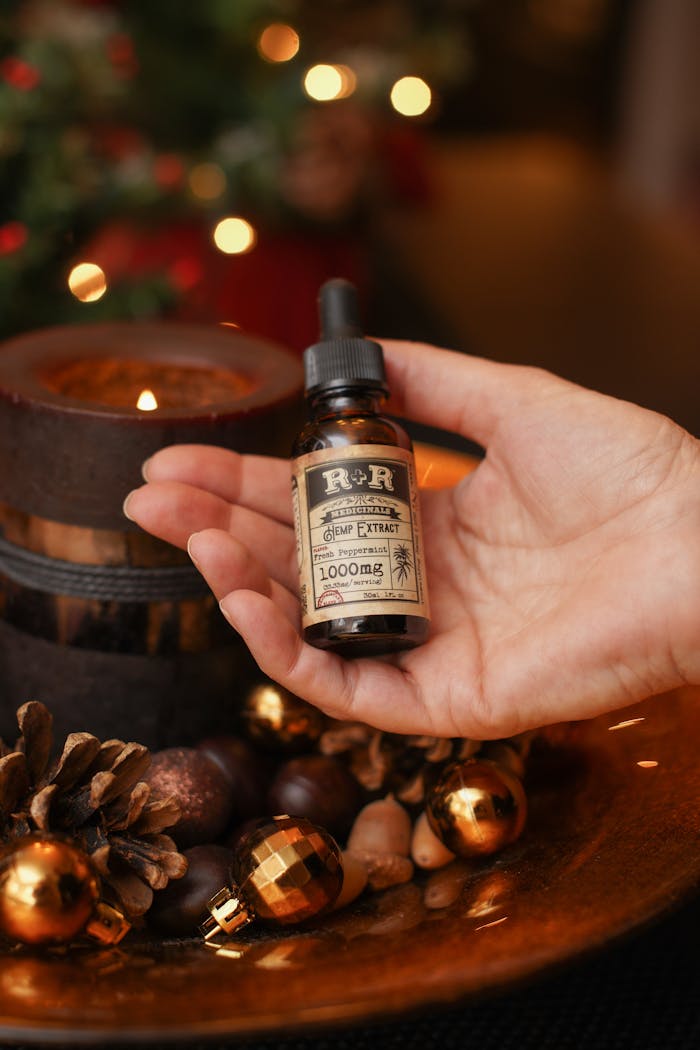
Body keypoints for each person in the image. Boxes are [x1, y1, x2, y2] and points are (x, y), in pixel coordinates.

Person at [123, 340, 700, 739]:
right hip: (341, 608)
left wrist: (673, 499)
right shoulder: (316, 443)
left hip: (401, 605)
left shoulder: (386, 435)